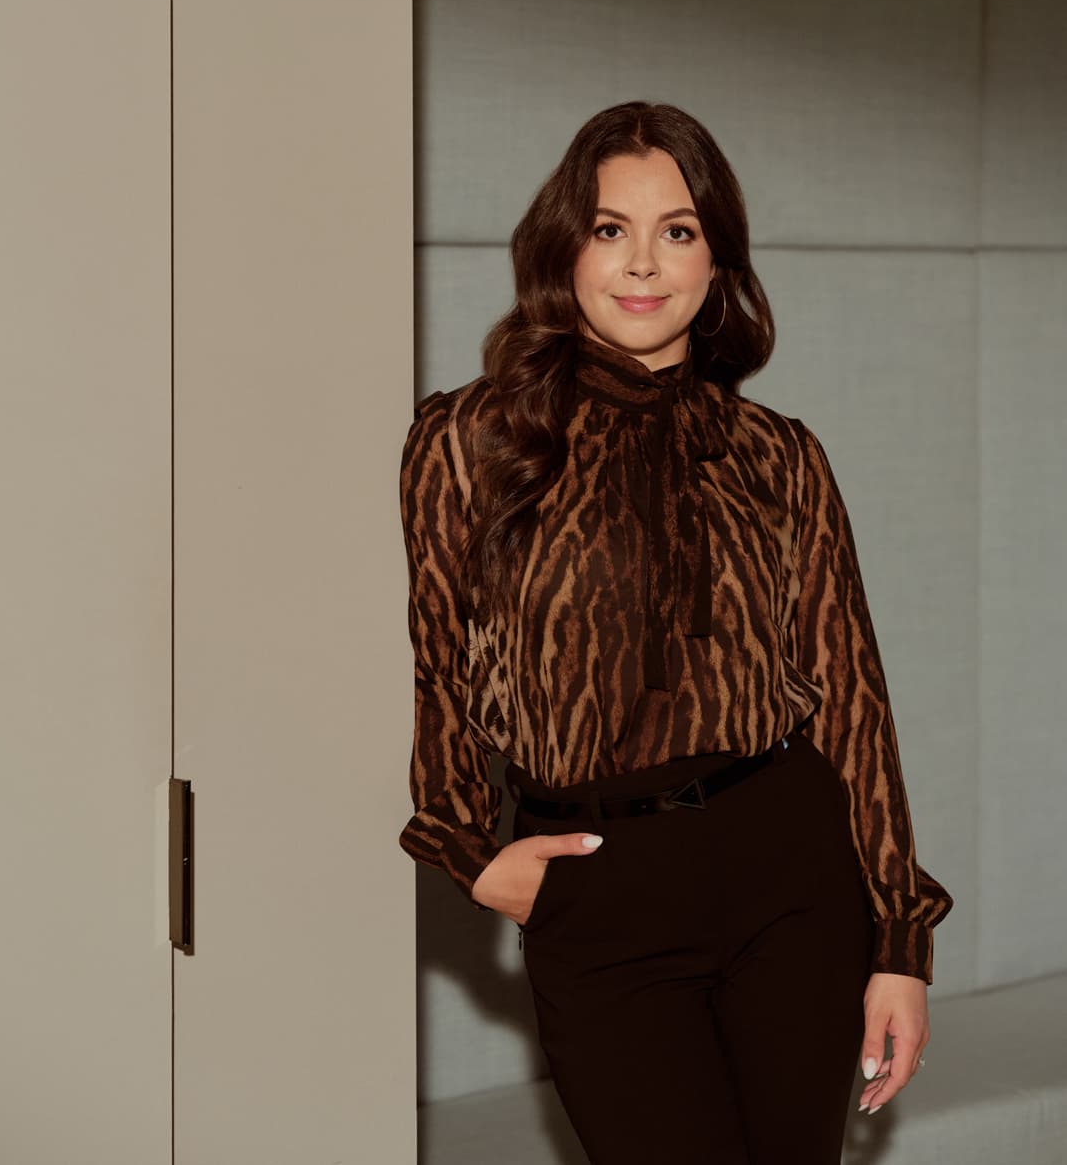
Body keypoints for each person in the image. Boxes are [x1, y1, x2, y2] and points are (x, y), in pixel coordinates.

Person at [397, 100, 954, 1164]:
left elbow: (851, 695)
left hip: (788, 871)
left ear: (718, 263)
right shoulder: (469, 440)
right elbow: (439, 663)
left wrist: (898, 943)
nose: (642, 262)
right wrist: (470, 852)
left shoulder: (779, 454)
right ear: (565, 249)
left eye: (679, 230)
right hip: (599, 884)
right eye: (610, 228)